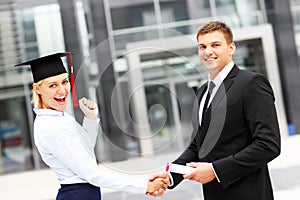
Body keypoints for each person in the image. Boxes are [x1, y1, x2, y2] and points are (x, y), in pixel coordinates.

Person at [148, 21, 281, 200]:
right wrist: (171, 174)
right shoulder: (202, 92)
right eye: (202, 46)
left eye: (215, 45)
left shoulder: (251, 83)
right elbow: (198, 146)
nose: (208, 52)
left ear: (231, 48)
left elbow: (268, 145)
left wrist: (215, 170)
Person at [15, 52, 169, 200]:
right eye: (52, 85)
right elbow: (92, 174)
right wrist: (144, 185)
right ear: (38, 89)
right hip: (77, 194)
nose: (62, 90)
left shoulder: (60, 118)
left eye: (65, 81)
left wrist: (90, 119)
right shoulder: (51, 127)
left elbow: (86, 150)